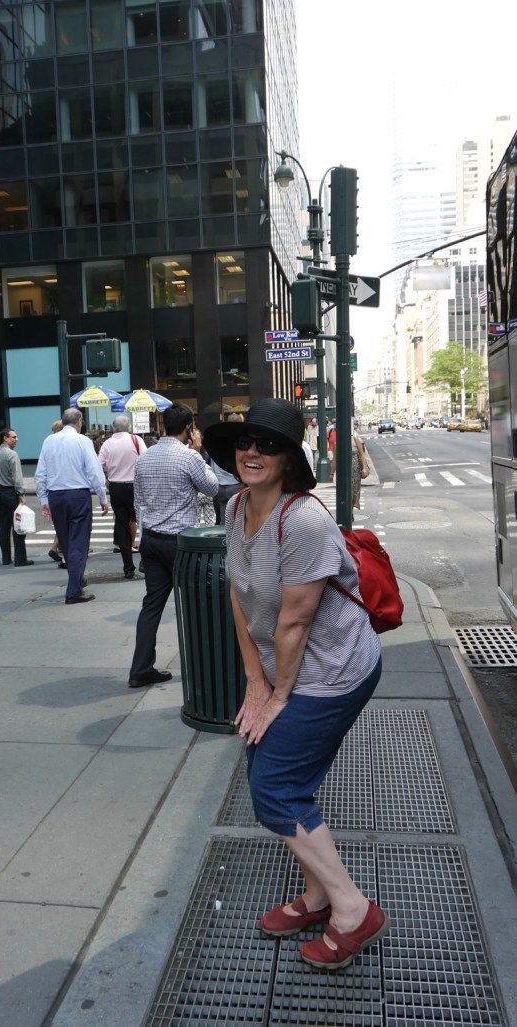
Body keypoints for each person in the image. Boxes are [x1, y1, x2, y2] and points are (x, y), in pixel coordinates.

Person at [202, 398, 389, 972]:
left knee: (276, 789)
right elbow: (238, 593)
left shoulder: (302, 519)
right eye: (245, 442)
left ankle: (353, 910)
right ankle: (317, 896)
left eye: (269, 445)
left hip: (333, 669)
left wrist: (277, 696)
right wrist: (254, 682)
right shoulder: (236, 506)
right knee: (273, 776)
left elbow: (295, 621)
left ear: (289, 459)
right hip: (283, 668)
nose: (253, 452)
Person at [128, 403, 218, 688]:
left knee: (152, 606)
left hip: (151, 539)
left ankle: (140, 668)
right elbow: (212, 488)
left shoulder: (145, 457)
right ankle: (202, 669)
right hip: (180, 542)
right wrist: (199, 452)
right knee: (195, 604)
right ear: (189, 428)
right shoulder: (189, 457)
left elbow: (138, 500)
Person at [34, 408, 109, 604]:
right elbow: (94, 471)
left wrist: (43, 499)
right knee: (79, 542)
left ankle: (76, 579)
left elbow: (40, 473)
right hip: (77, 495)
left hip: (56, 496)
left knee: (66, 542)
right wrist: (102, 496)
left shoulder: (49, 441)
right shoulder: (83, 441)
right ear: (79, 422)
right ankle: (74, 590)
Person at [98, 415, 146, 579]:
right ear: (129, 427)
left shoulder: (107, 443)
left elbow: (99, 464)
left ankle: (128, 567)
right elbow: (145, 460)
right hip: (135, 486)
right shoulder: (136, 440)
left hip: (116, 487)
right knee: (142, 521)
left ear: (113, 428)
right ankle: (145, 560)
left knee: (122, 523)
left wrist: (108, 475)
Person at [0, 427, 34, 567]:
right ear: (5, 438)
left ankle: (6, 558)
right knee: (18, 526)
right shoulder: (12, 455)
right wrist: (21, 494)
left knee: (3, 527)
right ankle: (20, 558)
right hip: (10, 492)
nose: (16, 439)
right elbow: (17, 477)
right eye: (13, 437)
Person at [210, 412, 244, 524]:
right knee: (239, 521)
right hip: (236, 485)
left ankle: (224, 535)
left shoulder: (216, 441)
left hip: (219, 487)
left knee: (223, 521)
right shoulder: (241, 443)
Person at [47, 419, 64, 565]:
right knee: (67, 523)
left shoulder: (49, 443)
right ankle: (56, 547)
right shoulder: (62, 444)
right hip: (65, 487)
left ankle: (56, 547)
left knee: (61, 522)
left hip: (53, 489)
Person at [351, 433, 369, 510]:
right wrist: (331, 473)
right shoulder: (338, 442)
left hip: (355, 471)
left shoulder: (355, 440)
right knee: (346, 492)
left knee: (354, 492)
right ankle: (348, 510)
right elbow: (335, 459)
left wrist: (364, 468)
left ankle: (351, 509)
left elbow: (362, 455)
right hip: (344, 472)